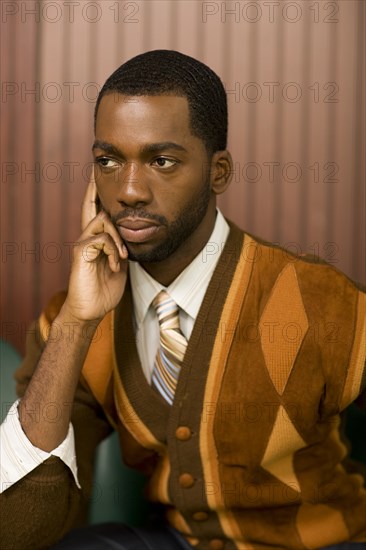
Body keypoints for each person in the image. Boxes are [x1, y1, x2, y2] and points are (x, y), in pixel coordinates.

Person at [1, 50, 365, 550]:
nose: (128, 191)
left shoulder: (319, 299)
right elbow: (20, 530)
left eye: (162, 161)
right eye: (108, 161)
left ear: (218, 172)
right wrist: (76, 323)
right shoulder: (75, 317)